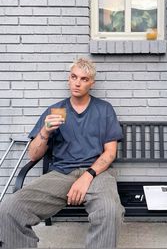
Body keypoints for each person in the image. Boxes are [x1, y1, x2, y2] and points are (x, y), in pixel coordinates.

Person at [0, 58, 124, 249]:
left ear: (92, 83)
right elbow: (33, 155)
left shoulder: (104, 109)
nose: (77, 82)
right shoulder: (56, 111)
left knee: (109, 211)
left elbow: (110, 153)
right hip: (61, 173)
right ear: (68, 79)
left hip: (97, 173)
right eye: (74, 77)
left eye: (84, 79)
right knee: (9, 209)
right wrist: (45, 132)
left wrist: (86, 177)